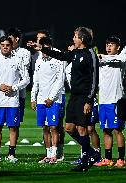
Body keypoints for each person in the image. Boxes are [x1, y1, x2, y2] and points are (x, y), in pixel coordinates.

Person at [28, 27, 99, 172]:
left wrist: (89, 101)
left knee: (81, 128)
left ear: (82, 39)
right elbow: (61, 56)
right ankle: (92, 153)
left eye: (75, 36)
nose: (73, 39)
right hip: (74, 96)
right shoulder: (76, 53)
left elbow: (94, 80)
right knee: (69, 128)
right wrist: (42, 48)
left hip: (84, 97)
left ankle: (85, 161)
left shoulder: (90, 54)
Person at [0, 36, 29, 163]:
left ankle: (11, 154)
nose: (5, 47)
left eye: (7, 45)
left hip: (13, 101)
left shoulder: (17, 60)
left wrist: (14, 87)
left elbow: (26, 79)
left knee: (13, 127)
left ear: (11, 46)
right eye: (3, 45)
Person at [31, 37, 65, 164]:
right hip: (41, 100)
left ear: (50, 47)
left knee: (54, 127)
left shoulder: (57, 60)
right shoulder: (39, 61)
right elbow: (36, 81)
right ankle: (48, 154)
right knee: (45, 128)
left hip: (54, 100)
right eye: (42, 47)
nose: (44, 50)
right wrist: (33, 98)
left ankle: (54, 155)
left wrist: (51, 98)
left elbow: (60, 81)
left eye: (46, 47)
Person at [94, 36, 125, 167]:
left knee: (117, 130)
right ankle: (107, 158)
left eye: (112, 45)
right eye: (107, 44)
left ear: (118, 47)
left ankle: (121, 159)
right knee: (106, 130)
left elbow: (121, 58)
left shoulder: (121, 59)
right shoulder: (101, 61)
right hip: (104, 100)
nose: (108, 47)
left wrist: (100, 56)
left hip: (116, 100)